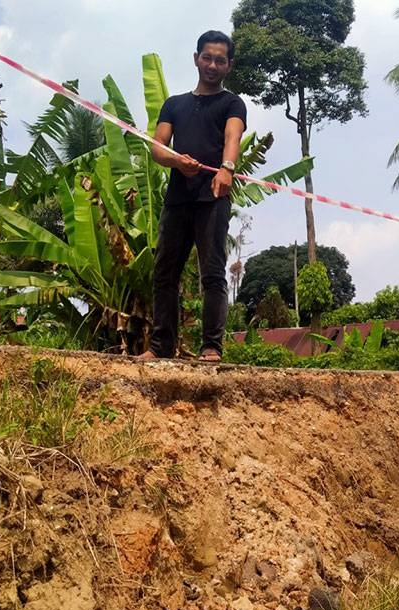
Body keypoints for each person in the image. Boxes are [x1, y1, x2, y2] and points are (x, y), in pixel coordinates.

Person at [138, 30, 247, 362]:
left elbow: (233, 136)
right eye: (207, 57)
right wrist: (176, 160)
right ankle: (160, 347)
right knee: (164, 273)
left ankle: (212, 346)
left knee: (212, 272)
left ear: (229, 65)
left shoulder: (232, 103)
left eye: (220, 60)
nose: (212, 65)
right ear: (196, 58)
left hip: (213, 198)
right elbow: (158, 148)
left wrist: (227, 167)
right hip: (177, 199)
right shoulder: (174, 105)